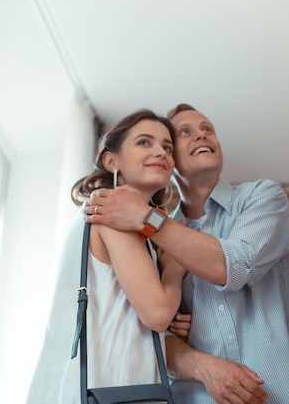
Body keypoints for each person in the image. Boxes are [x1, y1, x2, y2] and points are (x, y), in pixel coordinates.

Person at [84, 104, 289, 404]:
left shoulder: (263, 197)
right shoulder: (151, 240)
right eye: (185, 133)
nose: (202, 136)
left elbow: (236, 265)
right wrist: (201, 364)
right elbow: (155, 338)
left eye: (207, 129)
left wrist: (147, 218)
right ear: (171, 161)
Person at [27, 109, 187, 403]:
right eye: (144, 142)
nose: (161, 152)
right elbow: (158, 313)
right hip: (114, 385)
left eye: (167, 147)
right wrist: (176, 264)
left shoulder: (112, 216)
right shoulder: (112, 211)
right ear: (112, 161)